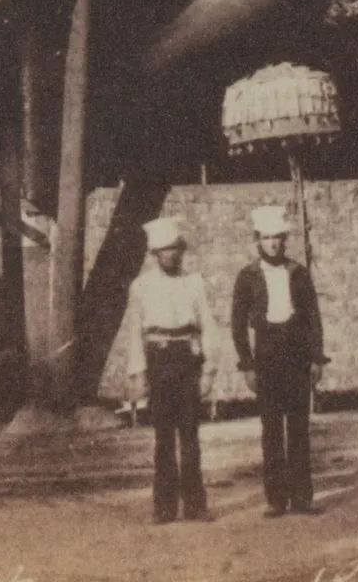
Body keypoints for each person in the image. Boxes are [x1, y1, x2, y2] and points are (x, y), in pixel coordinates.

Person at [121, 216, 220, 524]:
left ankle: (195, 505)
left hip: (188, 359)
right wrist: (139, 374)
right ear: (154, 254)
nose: (172, 255)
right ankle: (164, 507)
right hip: (159, 362)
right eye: (165, 250)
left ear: (182, 249)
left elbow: (208, 327)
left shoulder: (195, 283)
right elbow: (135, 331)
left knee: (190, 435)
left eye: (176, 249)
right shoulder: (141, 287)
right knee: (164, 437)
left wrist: (209, 371)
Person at [231, 205, 327, 517]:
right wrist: (247, 364)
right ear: (257, 240)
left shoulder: (298, 273)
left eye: (278, 238)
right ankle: (276, 500)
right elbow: (237, 324)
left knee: (298, 428)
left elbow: (313, 318)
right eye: (267, 238)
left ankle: (302, 498)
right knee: (271, 429)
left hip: (296, 355)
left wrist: (315, 359)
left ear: (285, 240)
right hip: (267, 357)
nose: (273, 243)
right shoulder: (247, 277)